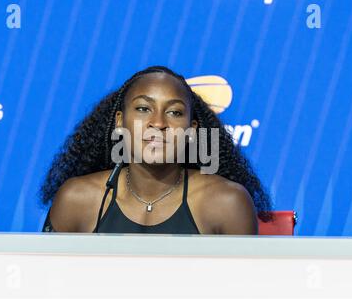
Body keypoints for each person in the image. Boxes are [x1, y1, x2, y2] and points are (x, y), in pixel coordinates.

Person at [39, 66, 273, 235]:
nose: (158, 122)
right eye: (143, 108)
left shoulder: (226, 203)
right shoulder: (76, 199)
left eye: (175, 112)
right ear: (120, 121)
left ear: (192, 130)